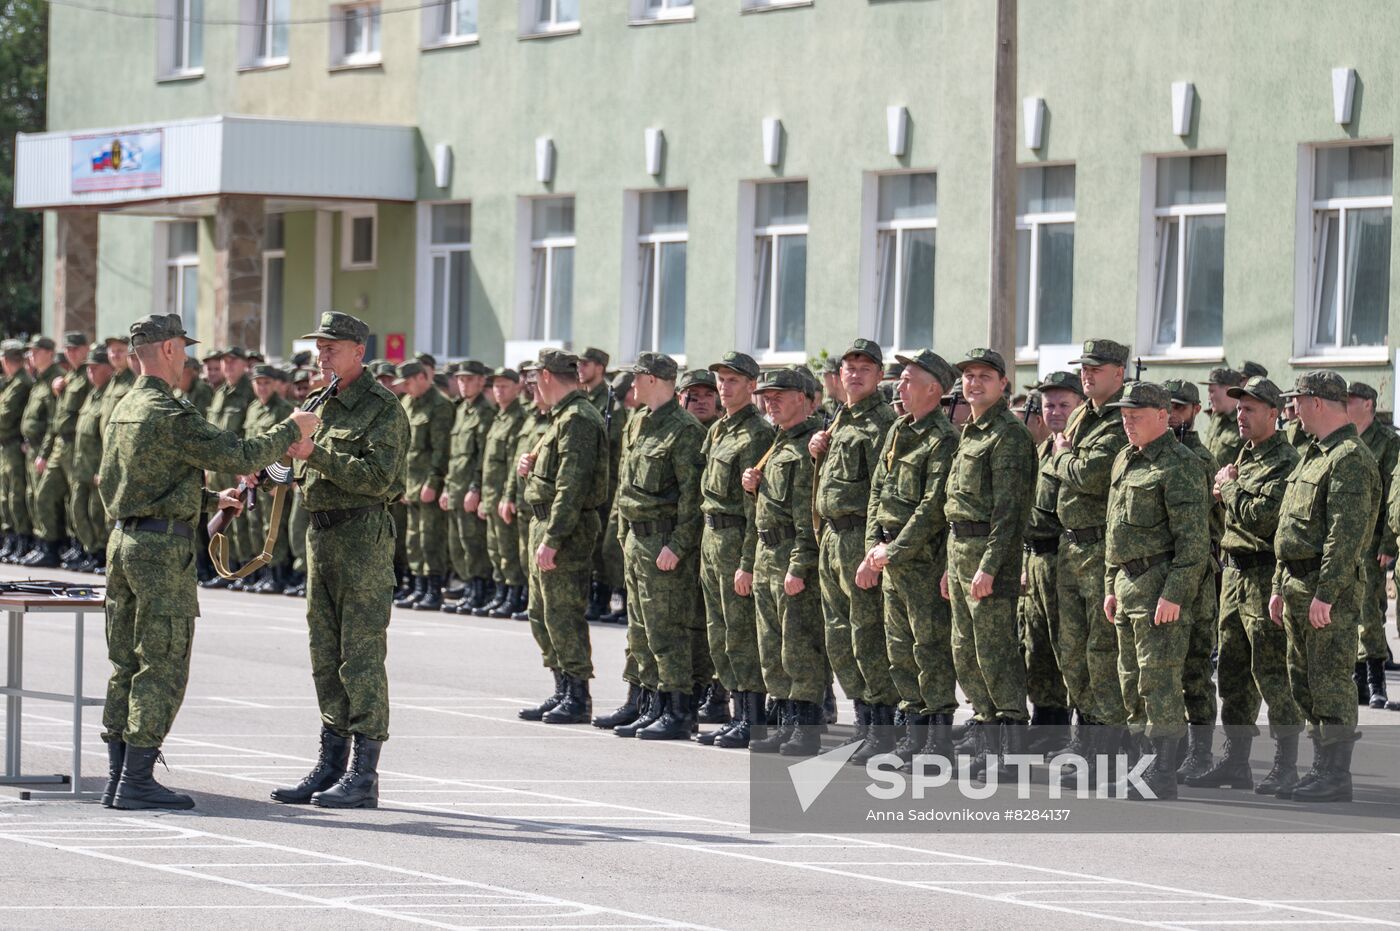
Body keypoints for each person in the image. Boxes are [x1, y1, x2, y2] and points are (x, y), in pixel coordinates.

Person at [101, 313, 317, 810]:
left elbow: (131, 484)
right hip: (159, 554)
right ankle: (135, 782)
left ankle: (119, 777)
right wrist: (292, 427)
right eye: (184, 348)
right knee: (162, 663)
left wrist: (205, 501)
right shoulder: (169, 411)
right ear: (172, 349)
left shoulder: (124, 407)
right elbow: (239, 453)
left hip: (125, 542)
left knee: (125, 662)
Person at [270, 311, 407, 810]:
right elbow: (288, 455)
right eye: (319, 347)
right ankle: (330, 765)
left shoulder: (382, 408)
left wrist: (317, 455)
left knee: (361, 657)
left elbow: (379, 478)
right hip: (321, 538)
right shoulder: (315, 401)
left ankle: (363, 775)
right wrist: (260, 475)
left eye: (331, 348)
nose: (321, 356)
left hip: (362, 537)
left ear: (358, 352)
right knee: (324, 655)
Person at [1268, 370, 1379, 803]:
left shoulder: (1349, 456)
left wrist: (1327, 594)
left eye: (1297, 401)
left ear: (1317, 402)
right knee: (1304, 681)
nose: (1292, 409)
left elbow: (1344, 535)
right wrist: (1279, 583)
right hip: (1297, 583)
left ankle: (1335, 774)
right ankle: (1319, 767)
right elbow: (1290, 527)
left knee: (1330, 682)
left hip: (1322, 588)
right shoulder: (1314, 454)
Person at [1190, 376, 1304, 793]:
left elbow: (1263, 518)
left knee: (1271, 673)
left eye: (1250, 408)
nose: (1241, 414)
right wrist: (1229, 488)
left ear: (1274, 413)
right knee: (1233, 674)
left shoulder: (1285, 462)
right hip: (1234, 573)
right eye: (1238, 407)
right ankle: (1236, 761)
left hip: (1263, 574)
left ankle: (1285, 764)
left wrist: (1230, 487)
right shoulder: (1247, 455)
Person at [1103, 381, 1211, 801]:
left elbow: (1193, 543)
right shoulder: (1124, 460)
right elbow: (1115, 532)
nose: (1127, 422)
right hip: (1127, 588)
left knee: (1159, 681)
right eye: (1124, 415)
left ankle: (1163, 770)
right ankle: (1142, 764)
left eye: (1137, 416)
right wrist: (1111, 584)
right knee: (1131, 681)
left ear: (1163, 417)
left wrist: (1175, 594)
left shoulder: (1179, 464)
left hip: (1158, 590)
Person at [858, 349, 961, 765]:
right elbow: (877, 495)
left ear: (934, 389)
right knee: (899, 650)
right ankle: (912, 731)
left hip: (921, 560)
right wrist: (872, 548)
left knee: (929, 649)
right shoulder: (898, 429)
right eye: (900, 378)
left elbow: (933, 506)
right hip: (889, 558)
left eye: (908, 379)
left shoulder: (943, 439)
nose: (899, 385)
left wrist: (892, 552)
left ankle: (938, 740)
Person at [941, 348, 1037, 778]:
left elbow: (1009, 512)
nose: (974, 383)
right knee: (965, 651)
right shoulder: (970, 431)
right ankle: (987, 735)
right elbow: (958, 505)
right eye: (968, 376)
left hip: (987, 555)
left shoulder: (1008, 436)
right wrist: (951, 564)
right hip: (959, 550)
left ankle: (1011, 748)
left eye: (984, 376)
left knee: (995, 652)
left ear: (1003, 385)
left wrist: (990, 567)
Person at [809, 339, 899, 759]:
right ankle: (863, 720)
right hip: (830, 537)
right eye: (849, 367)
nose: (856, 374)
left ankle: (881, 727)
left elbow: (885, 492)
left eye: (865, 367)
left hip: (858, 537)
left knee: (867, 636)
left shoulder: (881, 423)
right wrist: (818, 455)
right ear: (838, 375)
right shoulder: (841, 419)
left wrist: (875, 548)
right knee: (840, 637)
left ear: (879, 376)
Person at [608, 352, 706, 740]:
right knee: (642, 631)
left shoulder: (684, 430)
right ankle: (651, 705)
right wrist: (623, 534)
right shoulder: (637, 422)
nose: (631, 384)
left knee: (668, 630)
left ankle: (679, 710)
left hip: (664, 540)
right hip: (637, 538)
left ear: (652, 379)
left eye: (637, 377)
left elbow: (692, 497)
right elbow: (625, 484)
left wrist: (678, 545)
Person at [684, 351, 774, 748]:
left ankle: (750, 718)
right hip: (711, 538)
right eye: (721, 379)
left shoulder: (756, 433)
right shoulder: (719, 429)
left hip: (737, 538)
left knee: (740, 633)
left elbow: (757, 507)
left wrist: (747, 561)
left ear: (752, 386)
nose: (724, 386)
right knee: (719, 632)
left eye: (733, 380)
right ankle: (735, 713)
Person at [1049, 338, 1131, 773]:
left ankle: (1109, 742)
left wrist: (1064, 455)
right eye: (1084, 367)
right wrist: (1065, 457)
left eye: (1096, 368)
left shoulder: (1122, 419)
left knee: (1103, 650)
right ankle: (1086, 730)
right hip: (1070, 544)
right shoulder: (1083, 414)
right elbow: (1058, 465)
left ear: (1119, 372)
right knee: (1071, 647)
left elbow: (1087, 474)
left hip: (1101, 546)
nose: (1087, 374)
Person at [517, 349, 610, 724]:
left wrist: (553, 538)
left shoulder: (578, 419)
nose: (533, 383)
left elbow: (572, 487)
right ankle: (561, 688)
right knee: (541, 612)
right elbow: (555, 476)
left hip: (564, 528)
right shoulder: (559, 418)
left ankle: (577, 695)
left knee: (562, 612)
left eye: (535, 376)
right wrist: (531, 468)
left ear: (548, 376)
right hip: (545, 523)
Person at [744, 368, 825, 756]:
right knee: (771, 644)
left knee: (798, 646)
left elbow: (809, 515)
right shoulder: (777, 443)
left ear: (802, 399)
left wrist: (800, 564)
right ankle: (784, 720)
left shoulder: (808, 445)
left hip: (790, 554)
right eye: (766, 396)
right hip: (766, 554)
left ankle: (804, 728)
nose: (770, 402)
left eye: (779, 395)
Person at [1162, 378, 1223, 782]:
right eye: (1166, 407)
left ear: (1196, 412)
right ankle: (1172, 750)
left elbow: (1204, 533)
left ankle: (1200, 753)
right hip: (1158, 580)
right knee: (1161, 672)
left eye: (1179, 409)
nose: (1171, 416)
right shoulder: (1151, 456)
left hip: (1196, 581)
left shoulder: (1200, 461)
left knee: (1195, 672)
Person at [1020, 372, 1084, 748]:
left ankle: (1081, 732)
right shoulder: (1042, 449)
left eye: (1064, 404)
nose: (1055, 412)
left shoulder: (1076, 452)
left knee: (1070, 648)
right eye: (1049, 405)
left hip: (1066, 558)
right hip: (1037, 560)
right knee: (1038, 646)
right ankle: (1047, 724)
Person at [1345, 381, 1398, 709]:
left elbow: (1395, 493)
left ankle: (1375, 680)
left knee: (1369, 611)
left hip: (1373, 540)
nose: (1345, 404)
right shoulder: (1344, 438)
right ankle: (1358, 679)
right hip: (1345, 539)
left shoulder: (1388, 442)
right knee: (1347, 611)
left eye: (1350, 399)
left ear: (1369, 404)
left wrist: (1389, 543)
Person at [395, 360, 454, 611]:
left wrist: (433, 482)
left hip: (428, 483)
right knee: (413, 539)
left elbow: (442, 450)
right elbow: (402, 448)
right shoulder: (407, 403)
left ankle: (433, 590)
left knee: (431, 538)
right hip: (410, 481)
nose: (406, 388)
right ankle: (418, 587)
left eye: (409, 382)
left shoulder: (440, 405)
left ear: (422, 377)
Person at [474, 367, 529, 619]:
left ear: (518, 388)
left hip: (503, 495)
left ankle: (513, 596)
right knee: (495, 549)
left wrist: (507, 497)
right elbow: (487, 462)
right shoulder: (499, 416)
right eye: (496, 386)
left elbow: (512, 464)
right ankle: (500, 593)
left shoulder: (519, 417)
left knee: (508, 550)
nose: (499, 390)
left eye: (505, 385)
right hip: (490, 494)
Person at [442, 360, 496, 613]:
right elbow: (455, 456)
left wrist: (476, 488)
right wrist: (446, 487)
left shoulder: (485, 412)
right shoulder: (462, 410)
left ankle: (479, 589)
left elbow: (482, 455)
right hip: (455, 486)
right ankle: (467, 585)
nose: (463, 384)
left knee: (473, 541)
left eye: (469, 379)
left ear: (481, 381)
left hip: (470, 489)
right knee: (458, 541)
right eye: (460, 380)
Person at [200, 348, 255, 590]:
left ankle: (242, 569)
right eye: (225, 362)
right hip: (215, 469)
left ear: (244, 364)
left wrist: (246, 465)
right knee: (221, 519)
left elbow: (250, 433)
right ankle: (224, 568)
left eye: (234, 362)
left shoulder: (249, 393)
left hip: (236, 467)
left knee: (240, 522)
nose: (228, 366)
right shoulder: (220, 393)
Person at [240, 364, 296, 593]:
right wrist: (245, 470)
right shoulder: (253, 408)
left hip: (273, 477)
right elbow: (247, 443)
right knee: (256, 526)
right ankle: (262, 573)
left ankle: (277, 574)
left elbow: (287, 447)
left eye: (266, 383)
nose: (262, 387)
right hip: (254, 478)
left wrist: (280, 478)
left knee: (274, 527)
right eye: (258, 383)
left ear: (275, 384)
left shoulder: (283, 409)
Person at [580, 347, 626, 623]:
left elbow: (614, 450)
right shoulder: (582, 399)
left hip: (605, 484)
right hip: (586, 483)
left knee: (603, 544)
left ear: (599, 367)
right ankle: (595, 595)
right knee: (590, 542)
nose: (580, 369)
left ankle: (605, 594)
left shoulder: (612, 405)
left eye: (585, 364)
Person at [68, 346, 114, 573]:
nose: (91, 372)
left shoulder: (109, 396)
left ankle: (101, 553)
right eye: (88, 369)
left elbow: (106, 437)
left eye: (96, 368)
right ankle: (91, 550)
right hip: (81, 464)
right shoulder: (92, 394)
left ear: (108, 369)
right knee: (78, 508)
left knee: (97, 512)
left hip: (96, 465)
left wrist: (102, 468)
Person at [18, 336, 63, 567]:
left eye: (36, 351)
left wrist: (44, 453)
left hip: (45, 448)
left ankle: (50, 548)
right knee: (32, 496)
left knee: (44, 497)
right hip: (32, 446)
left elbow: (53, 422)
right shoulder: (40, 380)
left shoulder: (55, 379)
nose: (31, 356)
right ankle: (40, 545)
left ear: (49, 352)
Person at [0, 340, 34, 563]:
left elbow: (5, 416)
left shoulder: (21, 382)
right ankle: (11, 537)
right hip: (7, 445)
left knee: (16, 495)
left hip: (13, 444)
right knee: (7, 494)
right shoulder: (12, 382)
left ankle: (21, 538)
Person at [1200, 367, 1246, 470]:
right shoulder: (1216, 417)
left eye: (1212, 391)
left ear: (1228, 390)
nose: (1209, 397)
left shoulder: (1245, 420)